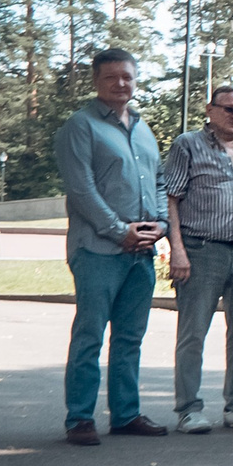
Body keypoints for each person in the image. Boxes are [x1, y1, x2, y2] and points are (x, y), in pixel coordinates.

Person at [52, 48, 171, 445]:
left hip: (142, 251)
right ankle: (80, 419)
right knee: (90, 335)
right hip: (98, 251)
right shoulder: (80, 126)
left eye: (128, 77)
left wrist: (161, 225)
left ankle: (126, 414)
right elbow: (81, 189)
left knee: (130, 338)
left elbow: (158, 182)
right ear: (96, 81)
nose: (121, 84)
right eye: (112, 77)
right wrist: (119, 231)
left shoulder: (142, 127)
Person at [162, 84, 233, 433]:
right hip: (201, 250)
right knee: (193, 333)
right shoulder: (188, 145)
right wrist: (177, 249)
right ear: (210, 110)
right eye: (229, 109)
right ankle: (188, 410)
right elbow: (172, 198)